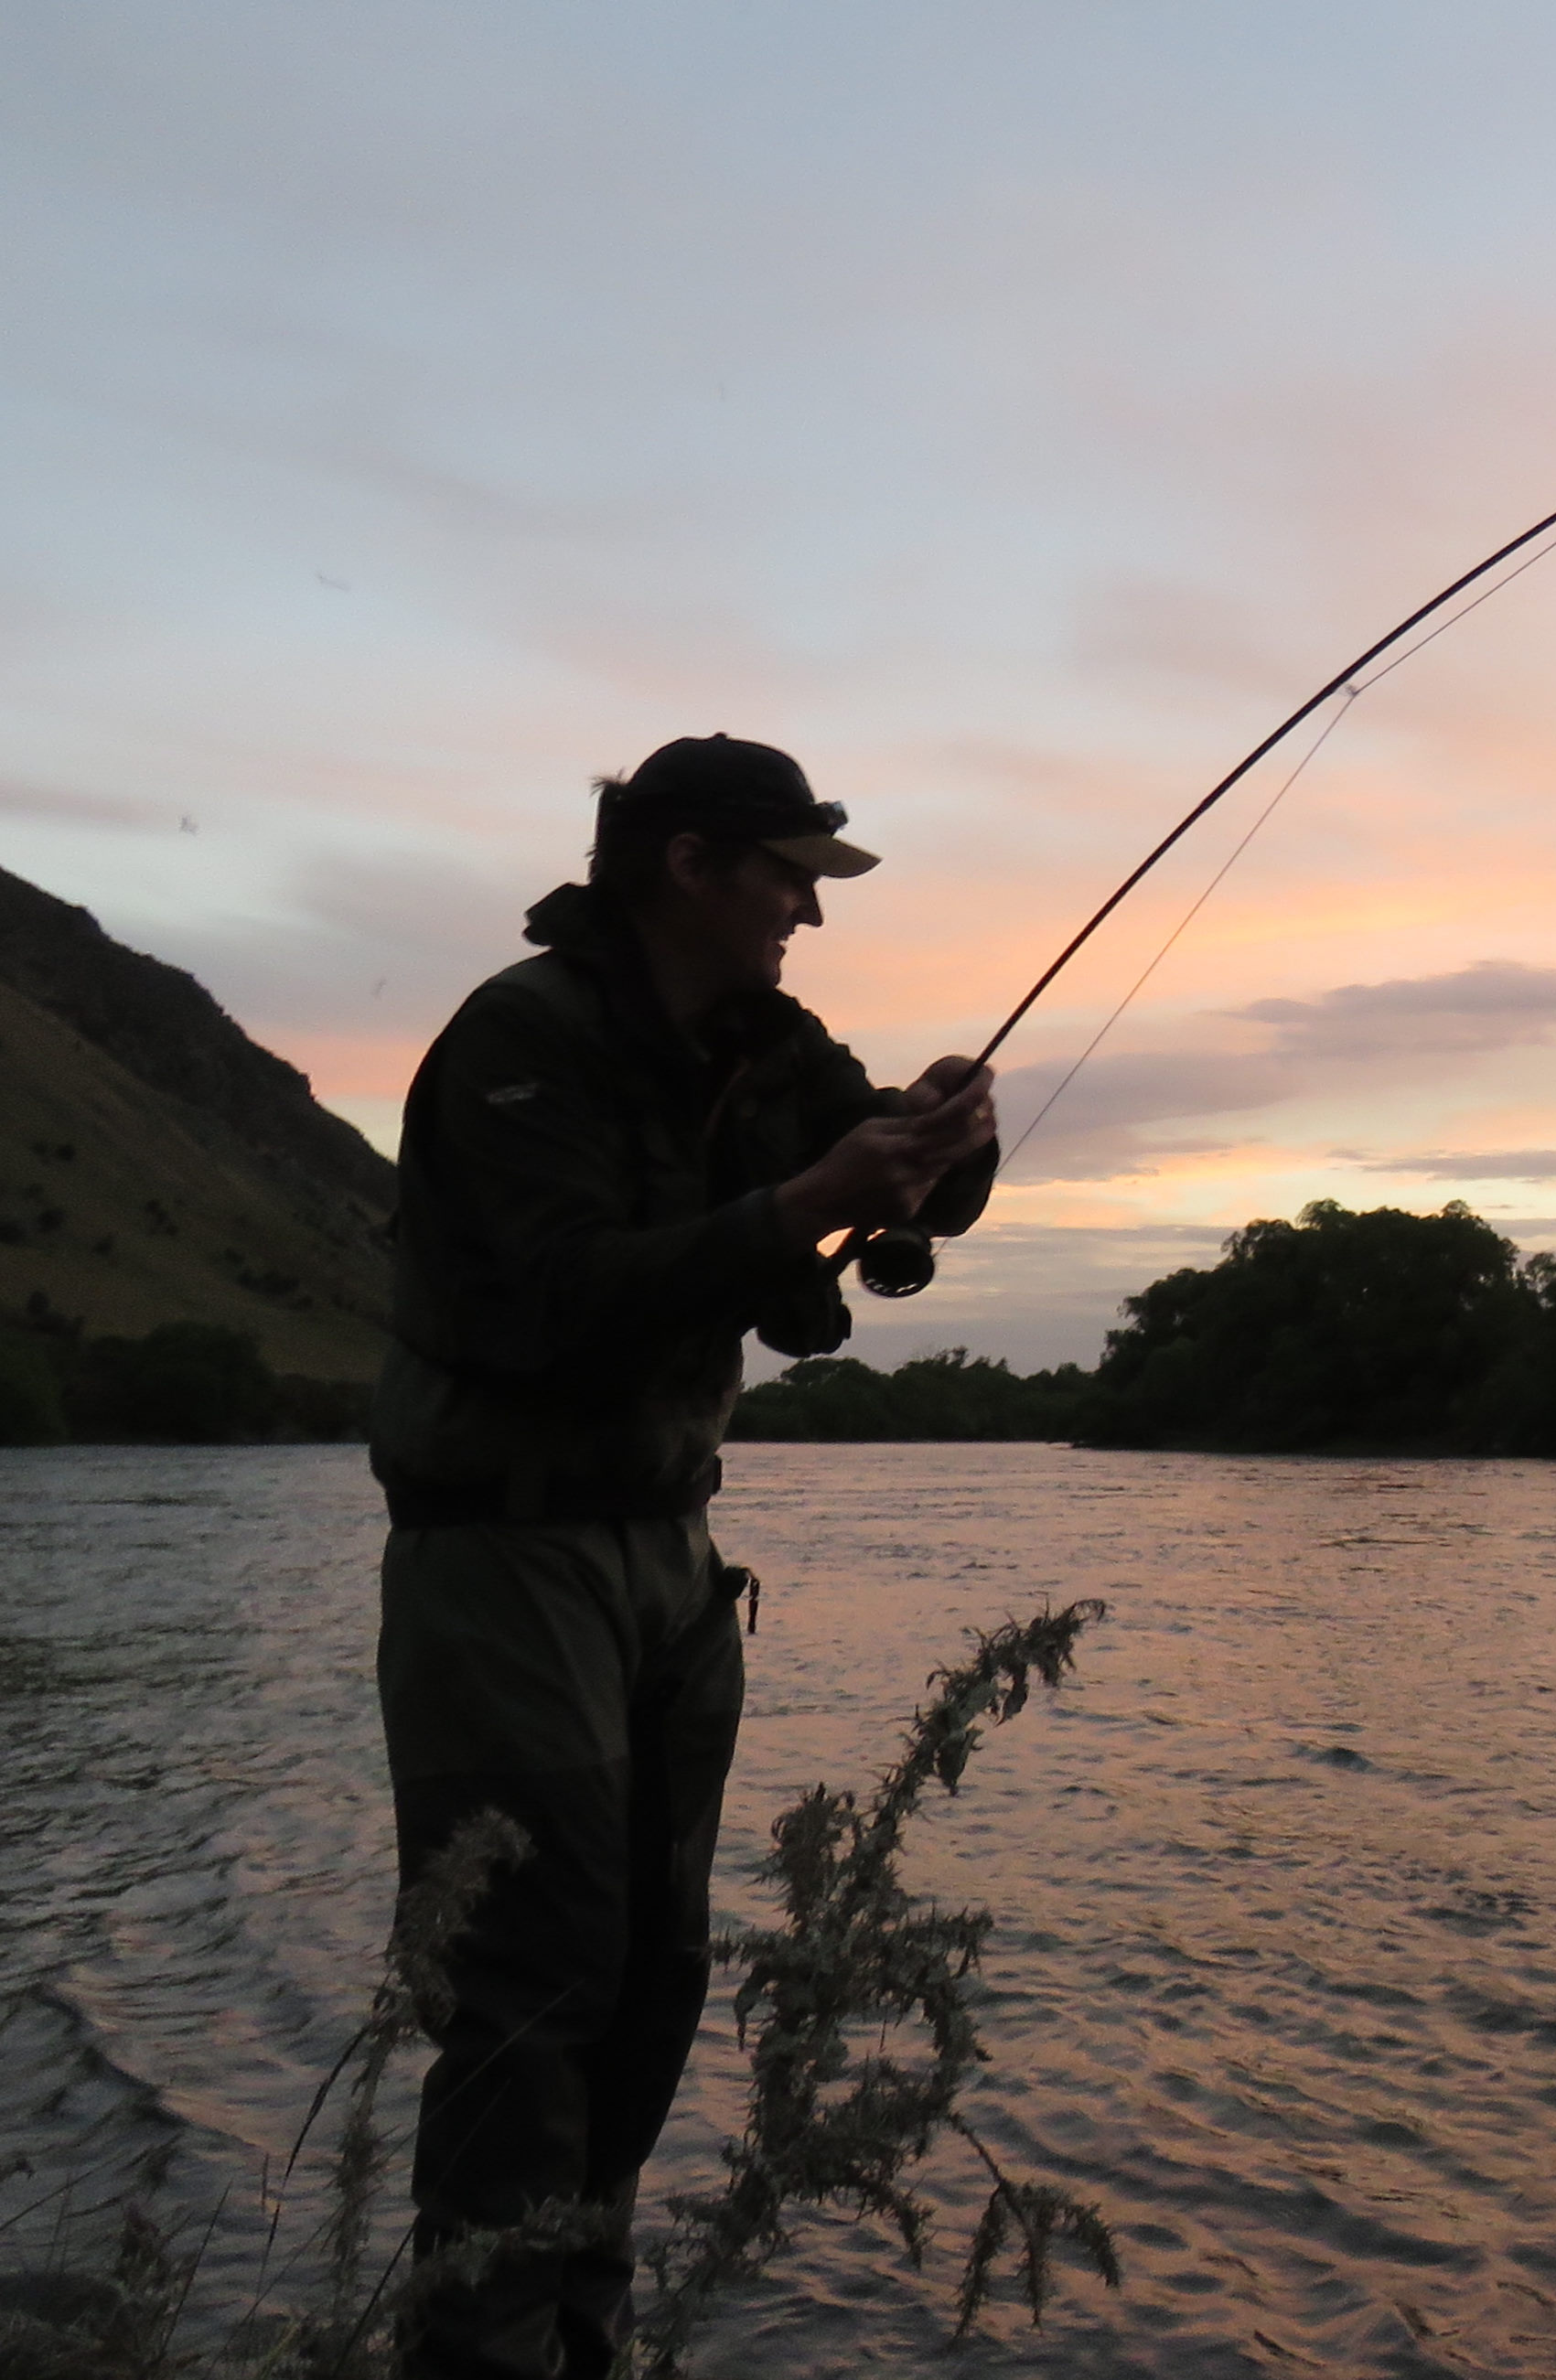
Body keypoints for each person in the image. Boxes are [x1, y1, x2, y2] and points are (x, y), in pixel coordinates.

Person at [370, 734, 998, 2379]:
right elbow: (560, 1299)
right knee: (527, 1983)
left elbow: (886, 1172)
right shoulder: (519, 1042)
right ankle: (477, 2352)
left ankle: (581, 2332)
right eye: (788, 875)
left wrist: (945, 1134)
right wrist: (805, 1204)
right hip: (504, 1564)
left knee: (650, 1980)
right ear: (689, 866)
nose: (809, 908)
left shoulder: (762, 1036)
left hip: (668, 1555)